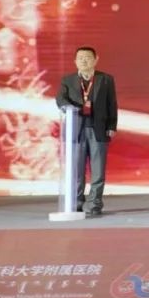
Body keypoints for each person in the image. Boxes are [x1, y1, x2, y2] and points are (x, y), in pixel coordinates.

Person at [56, 46, 118, 217]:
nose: (84, 60)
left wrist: (112, 126)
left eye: (88, 57)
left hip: (99, 129)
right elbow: (60, 99)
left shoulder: (105, 79)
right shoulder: (67, 80)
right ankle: (76, 202)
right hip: (76, 129)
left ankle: (94, 203)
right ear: (75, 61)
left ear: (95, 59)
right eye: (80, 57)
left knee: (98, 170)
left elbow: (112, 103)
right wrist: (70, 107)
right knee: (76, 169)